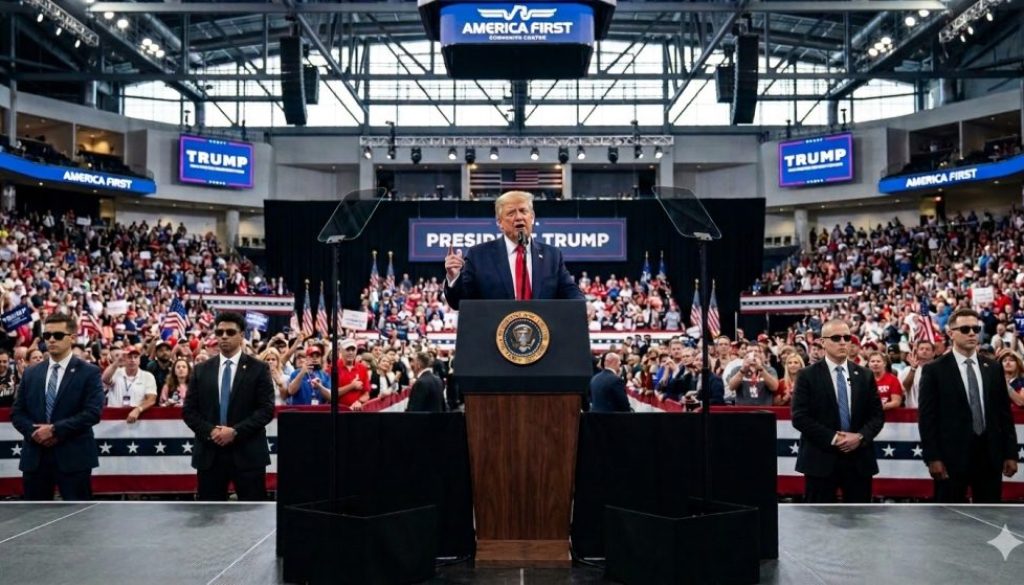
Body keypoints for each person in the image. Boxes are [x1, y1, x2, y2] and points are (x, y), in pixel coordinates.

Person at [918, 308, 1018, 503]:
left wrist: (1010, 454)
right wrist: (933, 458)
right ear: (951, 333)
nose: (972, 333)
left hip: (990, 456)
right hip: (950, 457)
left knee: (990, 515)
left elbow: (1003, 414)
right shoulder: (934, 370)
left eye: (976, 328)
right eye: (965, 329)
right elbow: (927, 418)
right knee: (950, 516)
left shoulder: (993, 368)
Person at [182, 313, 275, 501]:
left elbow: (266, 410)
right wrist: (211, 431)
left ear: (242, 335)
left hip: (248, 453)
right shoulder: (201, 370)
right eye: (220, 332)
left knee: (252, 512)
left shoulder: (259, 368)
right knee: (209, 515)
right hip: (210, 454)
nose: (224, 336)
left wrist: (235, 432)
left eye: (230, 332)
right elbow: (189, 411)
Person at [11, 313, 104, 500]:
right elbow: (17, 413)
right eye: (47, 335)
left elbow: (92, 413)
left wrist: (54, 430)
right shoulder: (31, 373)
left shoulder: (89, 372)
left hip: (74, 457)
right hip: (35, 457)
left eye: (58, 335)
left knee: (78, 515)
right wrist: (35, 433)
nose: (51, 339)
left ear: (72, 338)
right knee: (33, 515)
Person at [791, 319, 885, 503]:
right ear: (823, 342)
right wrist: (834, 438)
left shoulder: (865, 375)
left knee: (859, 517)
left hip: (859, 460)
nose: (843, 342)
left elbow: (877, 416)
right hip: (820, 459)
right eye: (836, 338)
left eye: (846, 338)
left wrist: (860, 437)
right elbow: (799, 417)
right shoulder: (807, 375)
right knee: (819, 517)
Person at [443, 191, 584, 309]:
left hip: (541, 332)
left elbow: (570, 291)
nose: (519, 217)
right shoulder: (478, 255)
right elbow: (459, 302)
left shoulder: (552, 256)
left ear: (532, 217)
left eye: (523, 211)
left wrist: (584, 305)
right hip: (495, 332)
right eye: (511, 213)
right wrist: (454, 278)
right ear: (499, 222)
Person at [101, 345, 158, 424]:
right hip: (114, 419)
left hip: (137, 418)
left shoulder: (147, 376)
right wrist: (117, 362)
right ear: (124, 359)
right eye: (129, 357)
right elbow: (104, 379)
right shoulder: (116, 372)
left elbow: (151, 399)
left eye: (135, 357)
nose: (133, 360)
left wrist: (138, 410)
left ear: (139, 360)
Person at [335, 338, 371, 410]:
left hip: (356, 412)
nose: (350, 352)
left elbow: (366, 394)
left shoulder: (362, 368)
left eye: (353, 350)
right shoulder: (333, 367)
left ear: (356, 351)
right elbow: (331, 394)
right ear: (341, 351)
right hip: (338, 412)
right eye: (347, 350)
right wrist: (352, 386)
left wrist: (359, 401)